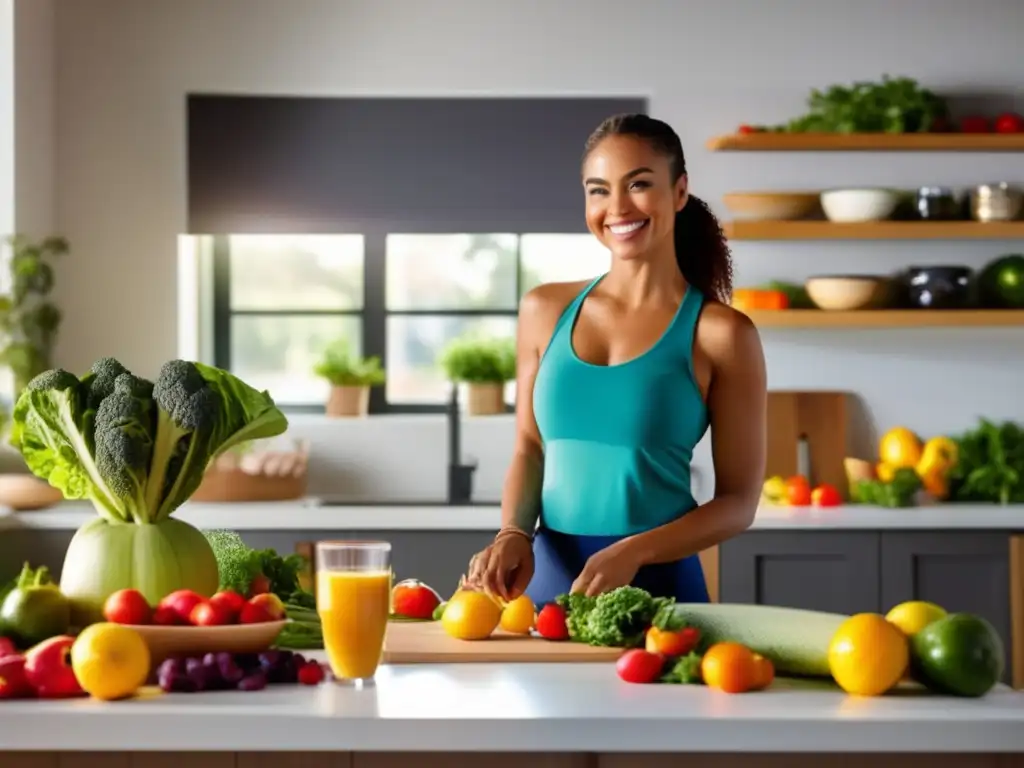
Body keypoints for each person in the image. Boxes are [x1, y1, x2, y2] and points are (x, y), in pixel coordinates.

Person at [465, 113, 767, 606]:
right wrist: (512, 534)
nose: (617, 207)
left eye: (639, 184)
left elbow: (738, 504)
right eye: (598, 190)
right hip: (547, 582)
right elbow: (529, 446)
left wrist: (636, 552)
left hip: (660, 587)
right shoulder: (544, 310)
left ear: (680, 190)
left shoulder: (722, 334)